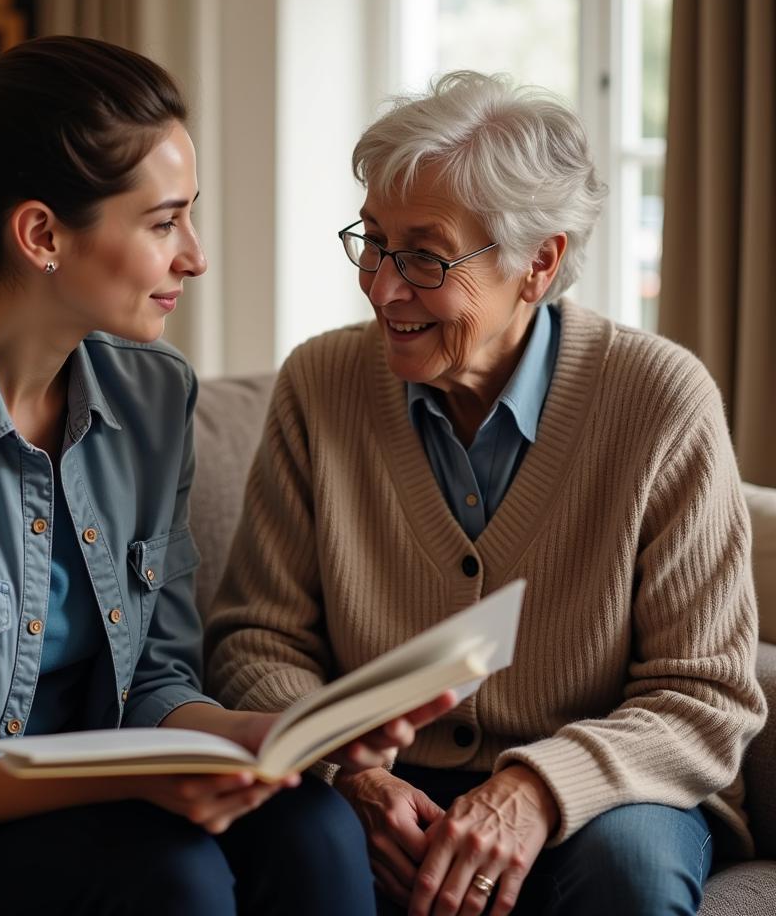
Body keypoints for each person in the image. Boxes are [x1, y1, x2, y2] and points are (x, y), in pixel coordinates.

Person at [0, 37, 455, 916]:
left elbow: (156, 680)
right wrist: (146, 778)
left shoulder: (152, 399)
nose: (195, 256)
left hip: (90, 803)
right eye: (163, 223)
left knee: (313, 821)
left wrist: (257, 737)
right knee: (171, 875)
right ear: (43, 234)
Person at [205, 70, 768, 916]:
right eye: (372, 240)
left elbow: (707, 693)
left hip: (602, 790)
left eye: (425, 256)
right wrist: (347, 772)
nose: (383, 286)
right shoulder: (320, 384)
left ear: (538, 263)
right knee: (298, 844)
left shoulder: (659, 400)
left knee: (630, 876)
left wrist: (538, 789)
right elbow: (256, 641)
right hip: (381, 781)